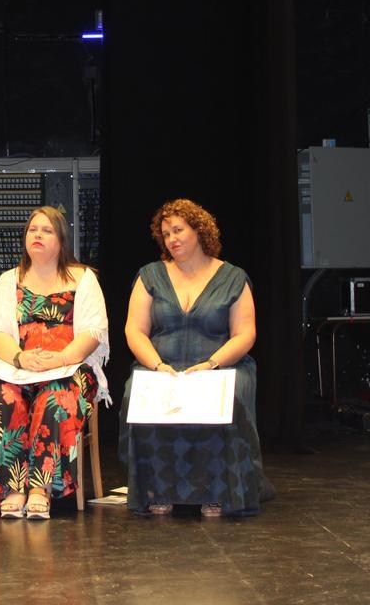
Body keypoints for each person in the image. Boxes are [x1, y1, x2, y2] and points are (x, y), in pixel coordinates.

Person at [119, 198, 270, 517]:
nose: (171, 238)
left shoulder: (233, 277)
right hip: (162, 367)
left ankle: (216, 491)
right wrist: (157, 366)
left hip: (220, 366)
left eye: (178, 230)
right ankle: (158, 489)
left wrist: (212, 364)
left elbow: (245, 333)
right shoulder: (150, 275)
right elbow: (135, 330)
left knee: (230, 396)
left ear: (199, 231)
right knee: (137, 392)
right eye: (165, 233)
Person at [0, 206, 109, 520]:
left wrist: (61, 358)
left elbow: (94, 331)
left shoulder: (84, 278)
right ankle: (12, 488)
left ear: (61, 239)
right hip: (20, 366)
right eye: (33, 230)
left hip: (69, 365)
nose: (37, 235)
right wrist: (21, 357)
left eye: (46, 230)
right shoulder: (9, 280)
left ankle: (40, 488)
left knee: (55, 399)